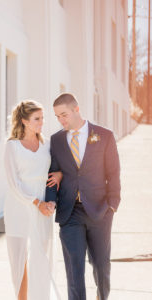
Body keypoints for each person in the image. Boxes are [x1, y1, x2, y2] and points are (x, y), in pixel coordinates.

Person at [45, 93, 121, 300]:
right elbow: (53, 173)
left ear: (76, 109)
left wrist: (112, 205)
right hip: (70, 213)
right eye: (57, 117)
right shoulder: (57, 140)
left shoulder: (104, 135)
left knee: (101, 265)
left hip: (100, 211)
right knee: (74, 268)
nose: (61, 120)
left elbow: (113, 172)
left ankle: (102, 297)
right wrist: (51, 200)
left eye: (64, 115)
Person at [4, 100, 62, 300]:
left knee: (41, 258)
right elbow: (14, 183)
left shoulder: (47, 145)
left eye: (43, 118)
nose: (42, 122)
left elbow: (55, 172)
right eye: (37, 119)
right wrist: (36, 203)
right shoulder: (12, 146)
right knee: (20, 260)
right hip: (19, 207)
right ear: (24, 121)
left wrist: (50, 202)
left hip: (44, 208)